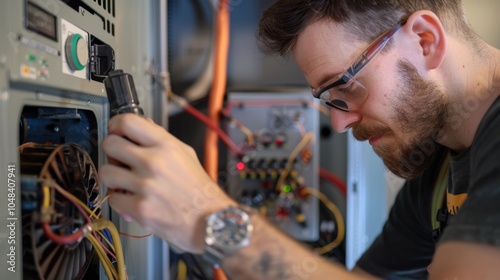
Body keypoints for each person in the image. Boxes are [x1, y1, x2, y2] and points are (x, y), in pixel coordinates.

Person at [99, 0, 500, 279]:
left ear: (425, 40)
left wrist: (210, 220)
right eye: (328, 101)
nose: (340, 124)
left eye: (345, 88)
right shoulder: (438, 171)